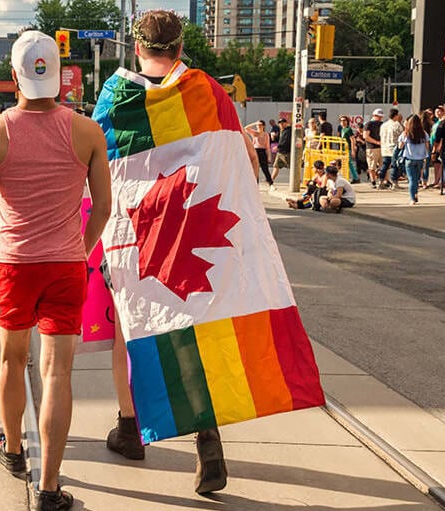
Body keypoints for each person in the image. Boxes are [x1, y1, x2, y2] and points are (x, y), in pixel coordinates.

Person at [99, 9, 260, 498]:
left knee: (131, 328)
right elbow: (244, 162)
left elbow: (93, 161)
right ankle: (207, 439)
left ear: (136, 47)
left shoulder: (115, 96)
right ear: (181, 47)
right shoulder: (208, 91)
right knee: (195, 333)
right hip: (196, 231)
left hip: (134, 237)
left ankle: (130, 429)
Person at [0, 30, 112, 511]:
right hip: (66, 265)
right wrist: (79, 248)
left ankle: (13, 451)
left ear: (14, 78)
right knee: (57, 373)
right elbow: (103, 208)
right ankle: (50, 489)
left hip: (12, 263)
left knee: (13, 360)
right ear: (60, 78)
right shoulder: (87, 131)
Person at [398, 114, 429, 205]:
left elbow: (400, 146)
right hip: (420, 158)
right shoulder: (424, 133)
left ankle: (412, 198)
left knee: (411, 179)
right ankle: (415, 194)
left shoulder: (405, 133)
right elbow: (427, 146)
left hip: (409, 158)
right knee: (417, 178)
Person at [378, 108, 403, 189]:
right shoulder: (397, 124)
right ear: (396, 116)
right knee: (395, 166)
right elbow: (401, 136)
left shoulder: (383, 125)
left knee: (384, 165)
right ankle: (394, 183)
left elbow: (381, 136)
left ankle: (380, 182)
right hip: (394, 147)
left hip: (384, 148)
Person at [244, 120, 273, 187]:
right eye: (257, 125)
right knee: (254, 167)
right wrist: (254, 123)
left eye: (260, 125)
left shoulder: (266, 134)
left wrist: (269, 156)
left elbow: (267, 146)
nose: (258, 126)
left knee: (264, 168)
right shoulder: (254, 133)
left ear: (263, 126)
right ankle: (255, 182)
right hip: (255, 150)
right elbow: (246, 128)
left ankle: (270, 182)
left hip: (262, 151)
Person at [364, 109, 384, 187]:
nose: (380, 118)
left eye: (381, 116)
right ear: (374, 115)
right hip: (372, 147)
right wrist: (377, 142)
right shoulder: (369, 124)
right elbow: (365, 136)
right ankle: (373, 181)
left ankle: (381, 181)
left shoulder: (382, 124)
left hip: (381, 147)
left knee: (382, 165)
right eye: (378, 116)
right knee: (372, 165)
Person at [338, 115, 358, 182]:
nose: (343, 122)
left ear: (347, 121)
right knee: (345, 163)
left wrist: (353, 150)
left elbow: (352, 140)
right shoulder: (342, 129)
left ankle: (356, 177)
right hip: (343, 149)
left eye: (344, 120)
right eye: (341, 121)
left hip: (348, 148)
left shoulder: (348, 129)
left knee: (349, 163)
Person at [273, 117, 290, 183]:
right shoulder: (282, 131)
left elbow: (286, 141)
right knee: (276, 166)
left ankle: (296, 181)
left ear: (286, 123)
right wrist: (275, 137)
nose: (281, 125)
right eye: (280, 123)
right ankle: (271, 180)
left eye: (283, 123)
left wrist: (278, 146)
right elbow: (280, 140)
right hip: (280, 152)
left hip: (285, 152)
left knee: (291, 167)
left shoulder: (288, 131)